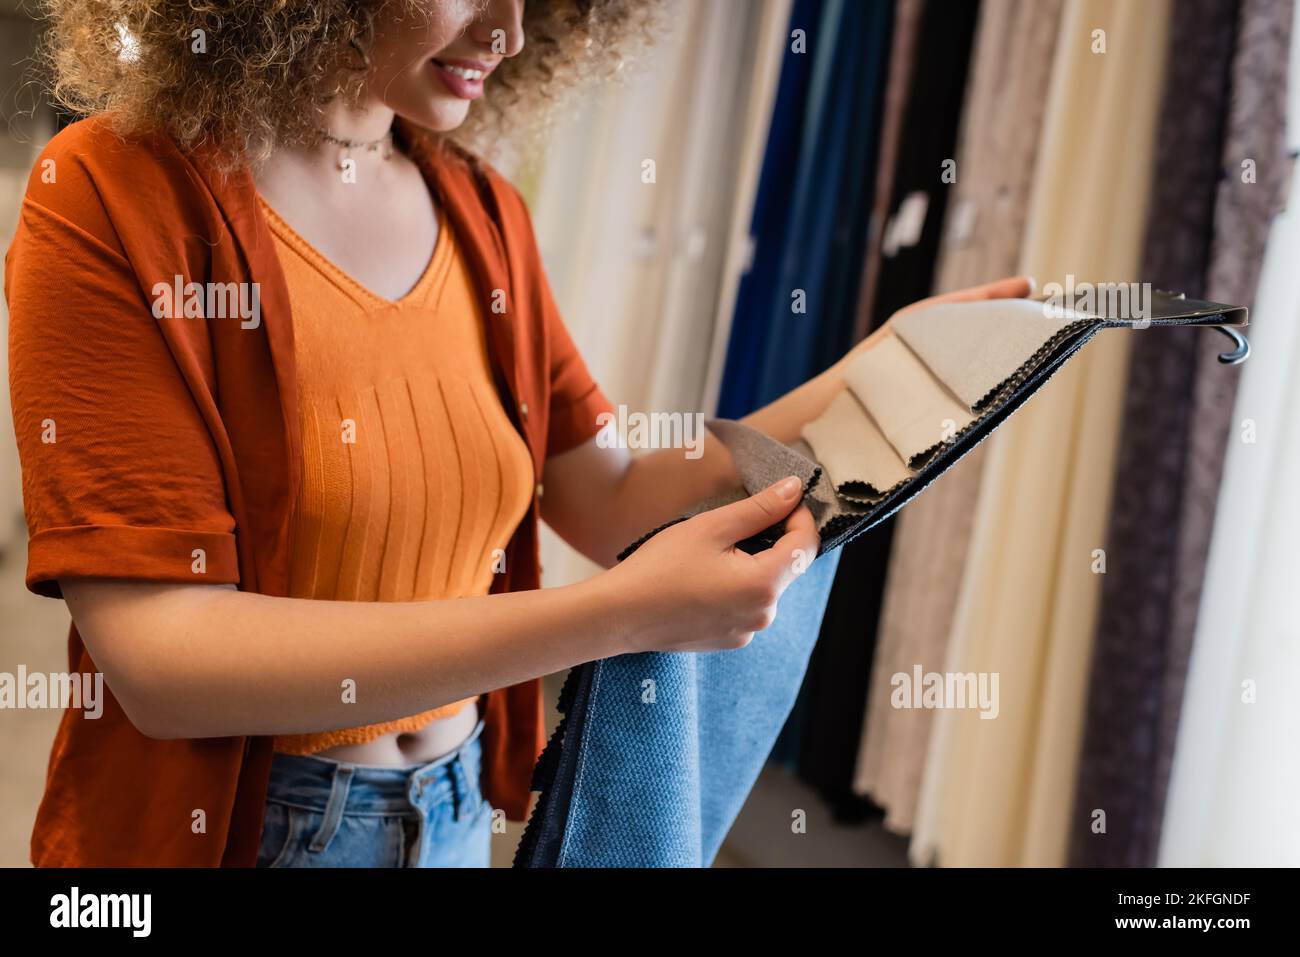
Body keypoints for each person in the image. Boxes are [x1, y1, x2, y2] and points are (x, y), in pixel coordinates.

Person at [5, 0, 1030, 867]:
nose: (511, 27)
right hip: (239, 833)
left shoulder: (479, 206)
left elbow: (609, 489)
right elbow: (163, 663)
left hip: (457, 816)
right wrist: (614, 617)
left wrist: (883, 364)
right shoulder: (113, 193)